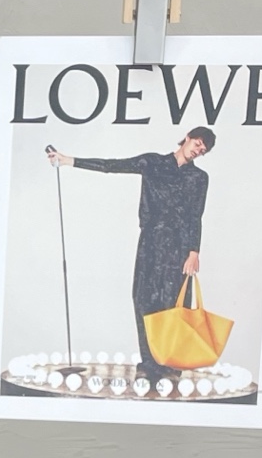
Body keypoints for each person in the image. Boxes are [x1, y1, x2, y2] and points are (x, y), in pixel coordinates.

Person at [49, 127, 215, 379]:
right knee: (144, 299)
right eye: (198, 144)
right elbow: (112, 166)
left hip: (179, 248)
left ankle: (169, 365)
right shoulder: (153, 162)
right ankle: (149, 365)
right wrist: (68, 161)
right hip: (150, 240)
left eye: (203, 150)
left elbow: (196, 216)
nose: (198, 151)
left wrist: (194, 251)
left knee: (173, 304)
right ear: (188, 138)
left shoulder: (199, 177)